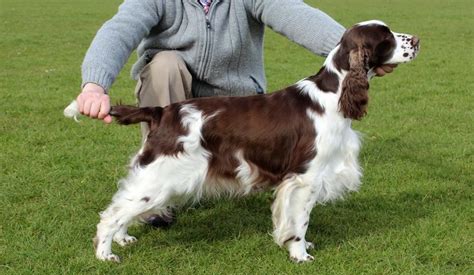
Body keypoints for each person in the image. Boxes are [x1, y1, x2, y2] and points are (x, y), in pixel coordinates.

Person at [75, 0, 395, 227]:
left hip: (240, 103)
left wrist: (356, 52)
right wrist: (94, 83)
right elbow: (119, 30)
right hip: (178, 105)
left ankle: (235, 173)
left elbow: (295, 15)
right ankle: (162, 184)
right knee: (163, 66)